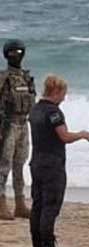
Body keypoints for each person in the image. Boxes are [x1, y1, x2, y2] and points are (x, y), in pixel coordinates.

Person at [28, 75, 89, 247]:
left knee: (37, 205)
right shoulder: (54, 112)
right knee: (51, 206)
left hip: (36, 162)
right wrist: (82, 134)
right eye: (63, 93)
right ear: (56, 91)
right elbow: (63, 136)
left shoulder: (35, 109)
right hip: (52, 164)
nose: (64, 98)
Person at [0, 39, 36, 220]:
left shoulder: (26, 77)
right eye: (13, 53)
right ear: (7, 55)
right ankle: (1, 203)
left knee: (19, 165)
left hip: (23, 124)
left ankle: (20, 204)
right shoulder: (3, 78)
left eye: (20, 52)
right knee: (3, 166)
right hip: (8, 124)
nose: (17, 56)